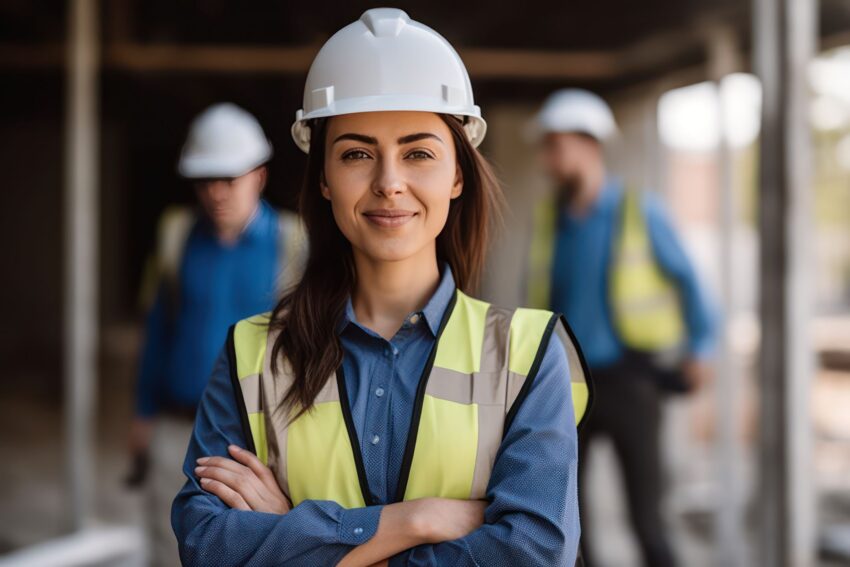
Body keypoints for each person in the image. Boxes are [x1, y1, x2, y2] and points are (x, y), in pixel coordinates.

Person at [171, 9, 592, 567]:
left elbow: (534, 554)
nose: (389, 182)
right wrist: (413, 521)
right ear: (323, 177)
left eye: (418, 153)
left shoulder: (530, 355)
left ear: (458, 175)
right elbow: (207, 547)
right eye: (356, 154)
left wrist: (297, 536)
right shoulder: (253, 356)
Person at [527, 88, 717, 567]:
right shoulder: (553, 219)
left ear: (589, 145)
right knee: (568, 515)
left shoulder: (638, 211)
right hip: (567, 386)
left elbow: (692, 283)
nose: (547, 159)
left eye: (555, 145)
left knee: (646, 519)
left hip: (631, 381)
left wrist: (702, 346)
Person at [129, 102, 304, 566]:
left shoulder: (297, 244)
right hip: (177, 429)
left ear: (259, 176)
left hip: (257, 440)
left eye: (229, 179)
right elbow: (158, 329)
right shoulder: (177, 236)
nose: (215, 193)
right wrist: (142, 414)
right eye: (205, 180)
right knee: (168, 550)